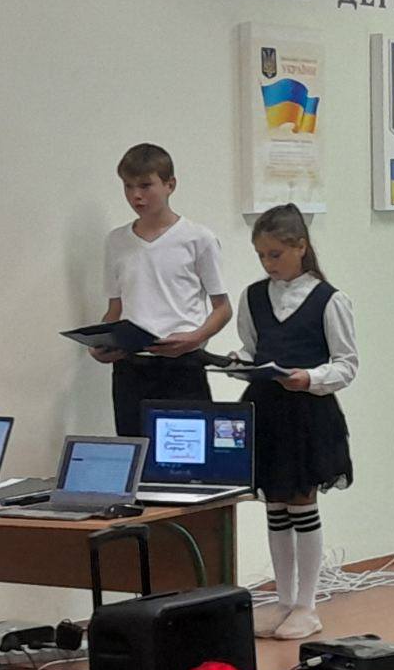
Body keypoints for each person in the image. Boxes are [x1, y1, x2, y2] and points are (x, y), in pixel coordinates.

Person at [236, 204, 357, 641]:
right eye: (261, 256)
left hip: (307, 414)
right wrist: (239, 365)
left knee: (302, 504)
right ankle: (284, 600)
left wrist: (310, 378)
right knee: (275, 506)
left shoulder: (329, 299)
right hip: (266, 411)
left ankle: (308, 604)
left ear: (300, 247)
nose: (268, 264)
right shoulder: (253, 297)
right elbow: (251, 350)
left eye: (276, 254)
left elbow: (346, 364)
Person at [95, 143, 231, 436]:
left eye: (145, 186)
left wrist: (196, 337)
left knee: (186, 452)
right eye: (128, 186)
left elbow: (222, 308)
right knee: (135, 451)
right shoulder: (116, 241)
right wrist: (104, 342)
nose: (136, 195)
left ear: (170, 185)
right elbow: (115, 308)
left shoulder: (198, 238)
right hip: (131, 367)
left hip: (182, 365)